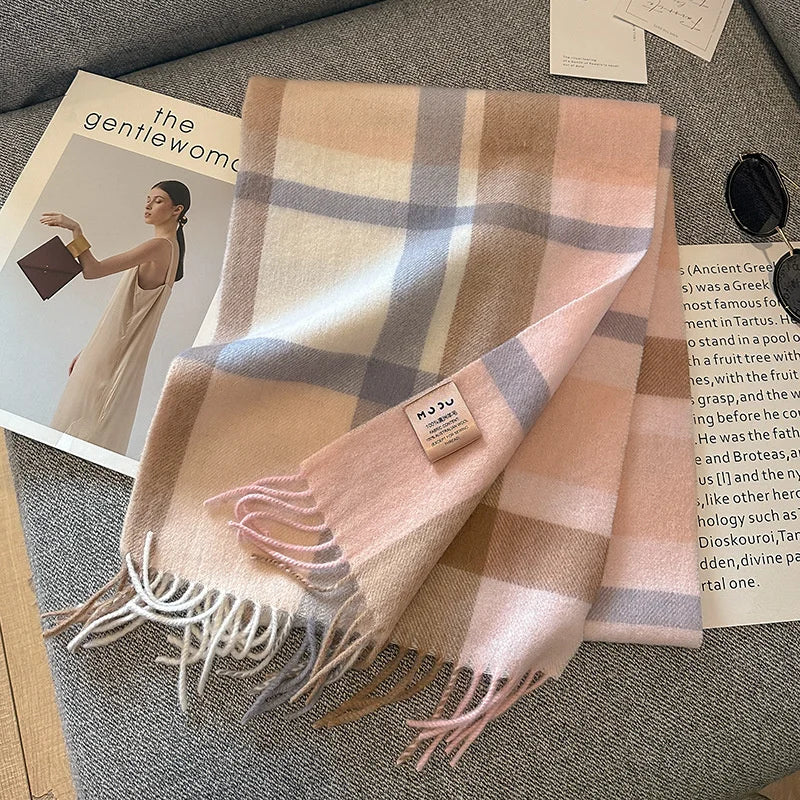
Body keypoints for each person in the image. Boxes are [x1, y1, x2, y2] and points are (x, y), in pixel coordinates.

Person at [41, 180, 191, 455]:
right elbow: (130, 314)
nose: (148, 205)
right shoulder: (171, 249)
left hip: (109, 358)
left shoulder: (159, 246)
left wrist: (76, 230)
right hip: (111, 354)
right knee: (93, 424)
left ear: (176, 210)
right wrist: (89, 350)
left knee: (78, 422)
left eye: (158, 200)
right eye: (147, 199)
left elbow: (93, 270)